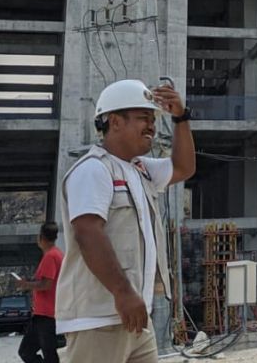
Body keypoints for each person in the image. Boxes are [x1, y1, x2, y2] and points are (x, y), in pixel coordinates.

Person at [54, 80, 195, 363]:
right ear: (115, 121)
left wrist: (181, 117)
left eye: (153, 119)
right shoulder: (94, 170)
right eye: (143, 118)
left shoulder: (139, 171)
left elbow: (184, 167)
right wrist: (123, 293)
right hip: (99, 320)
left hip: (135, 318)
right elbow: (87, 232)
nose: (152, 127)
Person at [18, 222, 65, 363]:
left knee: (33, 352)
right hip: (44, 314)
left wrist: (26, 284)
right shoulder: (57, 254)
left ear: (41, 238)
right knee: (33, 352)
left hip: (46, 315)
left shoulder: (50, 257)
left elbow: (46, 284)